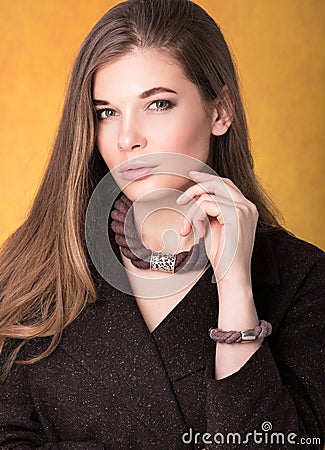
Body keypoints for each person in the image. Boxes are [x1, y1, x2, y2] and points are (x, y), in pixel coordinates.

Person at [0, 0, 324, 448]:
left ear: (220, 111)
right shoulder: (32, 271)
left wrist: (236, 290)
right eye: (106, 112)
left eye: (157, 104)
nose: (128, 137)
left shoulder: (305, 279)